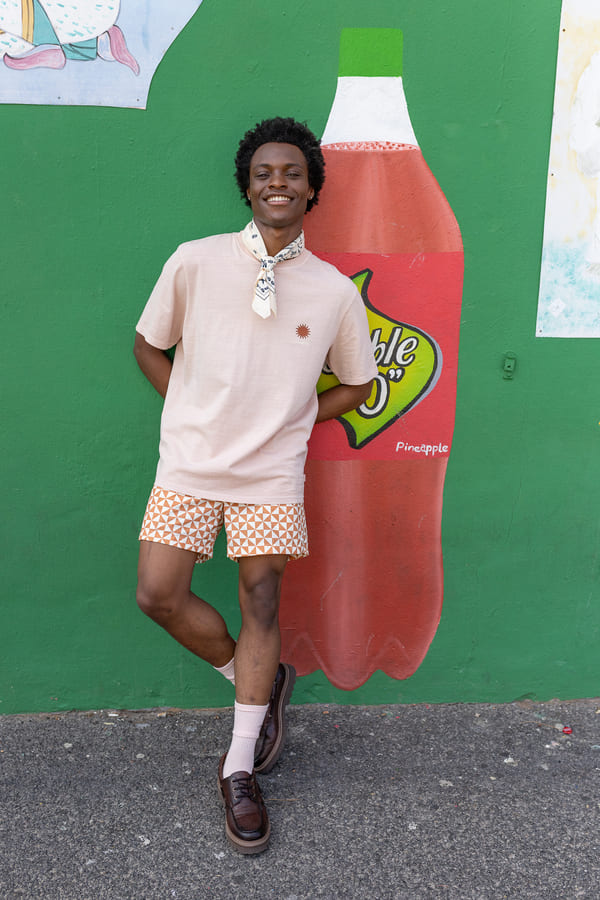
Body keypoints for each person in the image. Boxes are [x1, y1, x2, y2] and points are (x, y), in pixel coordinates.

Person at [133, 116, 377, 854]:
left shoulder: (333, 290)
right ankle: (256, 680)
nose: (279, 182)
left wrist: (295, 417)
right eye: (266, 172)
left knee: (262, 598)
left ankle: (240, 766)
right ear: (247, 184)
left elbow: (360, 387)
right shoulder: (196, 261)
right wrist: (189, 409)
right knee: (158, 594)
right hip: (191, 460)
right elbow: (149, 343)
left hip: (270, 473)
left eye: (293, 173)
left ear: (312, 190)